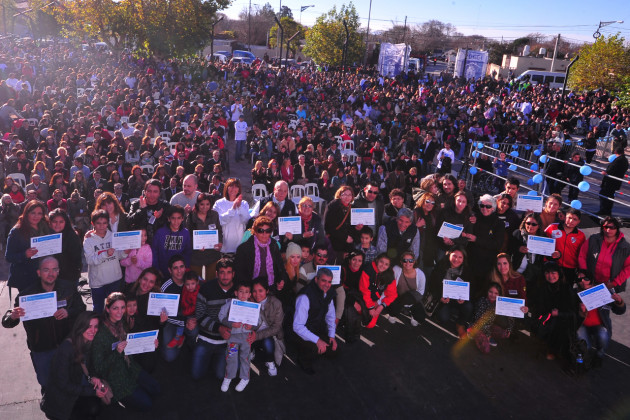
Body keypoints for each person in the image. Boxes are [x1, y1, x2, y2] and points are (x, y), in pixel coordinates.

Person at [2, 256, 86, 392]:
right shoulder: (26, 295)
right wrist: (12, 316)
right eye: (46, 270)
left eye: (54, 269)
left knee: (72, 379)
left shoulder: (69, 289)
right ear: (39, 272)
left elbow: (81, 309)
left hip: (67, 344)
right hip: (41, 349)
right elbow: (7, 322)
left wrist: (68, 312)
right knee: (47, 384)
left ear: (58, 271)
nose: (51, 273)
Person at [90, 293, 160, 410]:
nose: (120, 312)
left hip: (130, 366)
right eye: (115, 308)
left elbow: (133, 342)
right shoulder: (100, 333)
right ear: (107, 309)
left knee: (156, 389)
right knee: (147, 404)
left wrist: (150, 344)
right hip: (115, 376)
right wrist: (116, 352)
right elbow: (99, 368)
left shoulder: (123, 321)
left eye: (123, 307)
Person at [41, 311, 107, 420]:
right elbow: (63, 385)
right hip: (61, 402)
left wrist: (94, 377)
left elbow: (90, 366)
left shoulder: (88, 342)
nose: (93, 331)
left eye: (96, 327)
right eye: (89, 326)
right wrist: (93, 391)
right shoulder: (66, 349)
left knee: (96, 408)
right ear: (80, 326)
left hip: (75, 391)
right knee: (93, 408)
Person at [192, 258, 237, 380]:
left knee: (220, 376)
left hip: (227, 342)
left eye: (228, 272)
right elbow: (200, 315)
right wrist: (219, 328)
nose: (225, 276)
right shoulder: (206, 288)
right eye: (222, 272)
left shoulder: (240, 291)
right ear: (216, 274)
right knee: (196, 375)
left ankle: (216, 359)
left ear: (233, 274)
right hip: (206, 338)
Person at [292, 267, 338, 374]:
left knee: (334, 351)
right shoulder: (305, 296)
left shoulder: (329, 292)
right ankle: (302, 357)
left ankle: (317, 347)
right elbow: (297, 326)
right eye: (323, 280)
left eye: (329, 282)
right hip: (300, 332)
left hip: (317, 328)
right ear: (316, 279)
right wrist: (317, 340)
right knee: (313, 350)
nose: (327, 284)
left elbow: (331, 316)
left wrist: (331, 336)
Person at [576, 270, 626, 367]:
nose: (582, 281)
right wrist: (581, 312)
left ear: (591, 279)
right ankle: (583, 356)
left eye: (586, 278)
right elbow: (572, 316)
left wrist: (619, 302)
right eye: (579, 279)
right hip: (583, 325)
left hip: (599, 325)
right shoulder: (575, 293)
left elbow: (620, 311)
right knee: (583, 343)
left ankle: (599, 355)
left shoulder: (602, 291)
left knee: (603, 335)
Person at [529, 262, 578, 360]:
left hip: (562, 319)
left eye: (553, 273)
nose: (550, 276)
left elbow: (572, 311)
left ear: (559, 273)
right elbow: (534, 303)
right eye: (547, 273)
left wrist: (559, 314)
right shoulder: (541, 286)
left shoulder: (566, 288)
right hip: (544, 317)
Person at [219, 281, 262, 392]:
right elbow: (221, 316)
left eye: (246, 292)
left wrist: (252, 326)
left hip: (246, 338)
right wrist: (230, 324)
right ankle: (228, 377)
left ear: (249, 294)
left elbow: (258, 321)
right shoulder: (230, 304)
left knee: (245, 358)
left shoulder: (253, 307)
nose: (243, 295)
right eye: (241, 292)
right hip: (233, 337)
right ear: (236, 293)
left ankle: (245, 378)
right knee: (231, 357)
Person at [83, 210, 127, 313]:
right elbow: (90, 260)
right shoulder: (88, 240)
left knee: (115, 309)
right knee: (98, 309)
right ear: (93, 223)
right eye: (98, 223)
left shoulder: (113, 236)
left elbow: (119, 255)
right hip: (97, 281)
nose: (102, 226)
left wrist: (125, 252)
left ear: (108, 223)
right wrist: (105, 254)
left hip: (114, 279)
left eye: (104, 223)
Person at [427, 246, 474, 339]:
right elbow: (432, 285)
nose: (457, 259)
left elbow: (471, 289)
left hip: (458, 300)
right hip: (443, 300)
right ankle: (440, 314)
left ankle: (460, 324)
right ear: (449, 255)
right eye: (454, 256)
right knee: (443, 318)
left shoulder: (467, 271)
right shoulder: (440, 266)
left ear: (464, 259)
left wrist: (464, 298)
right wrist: (439, 296)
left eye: (460, 257)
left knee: (469, 306)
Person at [5, 200, 50, 292]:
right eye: (33, 213)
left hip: (44, 274)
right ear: (26, 213)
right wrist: (25, 255)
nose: (36, 216)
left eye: (39, 213)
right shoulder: (16, 231)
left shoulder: (46, 226)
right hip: (25, 277)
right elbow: (9, 257)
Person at [579, 216, 630, 292]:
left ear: (617, 228)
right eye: (606, 227)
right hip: (590, 282)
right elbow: (582, 255)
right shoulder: (593, 239)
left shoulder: (625, 247)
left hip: (610, 286)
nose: (609, 230)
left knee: (611, 304)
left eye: (612, 227)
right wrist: (584, 274)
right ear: (602, 228)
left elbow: (628, 268)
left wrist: (614, 283)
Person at [468, 194, 505, 296]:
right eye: (482, 206)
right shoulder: (474, 218)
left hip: (487, 263)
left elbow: (497, 244)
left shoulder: (498, 223)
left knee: (483, 291)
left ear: (493, 208)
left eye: (488, 206)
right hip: (472, 261)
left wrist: (476, 239)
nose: (485, 208)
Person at [234, 216, 284, 288]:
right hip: (250, 288)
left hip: (271, 287)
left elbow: (280, 266)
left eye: (268, 231)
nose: (264, 234)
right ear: (255, 232)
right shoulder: (243, 249)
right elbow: (240, 273)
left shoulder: (274, 246)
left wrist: (281, 280)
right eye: (260, 230)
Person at [250, 277, 285, 377]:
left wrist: (256, 336)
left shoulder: (276, 303)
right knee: (246, 337)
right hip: (253, 334)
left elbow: (276, 328)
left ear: (267, 290)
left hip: (269, 335)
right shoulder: (249, 302)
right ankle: (251, 350)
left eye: (260, 291)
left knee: (268, 342)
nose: (257, 294)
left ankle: (270, 360)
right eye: (254, 291)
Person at [187, 192, 223, 280]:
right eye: (202, 204)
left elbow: (219, 230)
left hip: (212, 254)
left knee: (211, 281)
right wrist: (195, 245)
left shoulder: (214, 215)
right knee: (196, 281)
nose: (205, 207)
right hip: (196, 256)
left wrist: (220, 243)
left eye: (207, 204)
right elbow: (187, 235)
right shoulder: (191, 216)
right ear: (197, 204)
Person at [470, 283, 514, 353]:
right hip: (478, 327)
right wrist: (487, 335)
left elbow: (510, 316)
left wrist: (509, 328)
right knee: (486, 350)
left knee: (505, 333)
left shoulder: (501, 303)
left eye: (496, 293)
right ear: (487, 291)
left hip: (490, 327)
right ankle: (475, 335)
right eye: (490, 292)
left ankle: (485, 337)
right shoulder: (482, 300)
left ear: (499, 295)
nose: (493, 295)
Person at [545, 208, 585, 285]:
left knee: (565, 292)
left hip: (570, 269)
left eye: (574, 219)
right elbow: (541, 242)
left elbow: (582, 254)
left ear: (579, 221)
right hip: (552, 266)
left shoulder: (581, 235)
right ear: (565, 217)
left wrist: (581, 270)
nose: (571, 221)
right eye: (569, 218)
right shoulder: (552, 227)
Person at [151, 205, 192, 279]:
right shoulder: (160, 232)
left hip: (179, 273)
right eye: (173, 218)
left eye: (179, 218)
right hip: (162, 272)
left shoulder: (185, 233)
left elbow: (187, 253)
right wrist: (156, 269)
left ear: (183, 218)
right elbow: (154, 252)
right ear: (169, 219)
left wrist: (185, 269)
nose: (176, 221)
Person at [359, 254, 397, 328]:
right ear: (377, 261)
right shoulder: (368, 269)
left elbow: (392, 294)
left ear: (389, 266)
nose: (383, 265)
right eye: (381, 262)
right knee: (359, 310)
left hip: (376, 301)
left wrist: (381, 305)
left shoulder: (390, 274)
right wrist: (370, 307)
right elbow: (364, 290)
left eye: (386, 264)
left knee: (370, 325)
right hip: (363, 297)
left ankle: (365, 315)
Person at [213, 178, 250, 253]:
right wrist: (233, 209)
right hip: (223, 246)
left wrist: (239, 207)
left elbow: (246, 220)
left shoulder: (244, 203)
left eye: (236, 186)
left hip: (240, 245)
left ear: (239, 189)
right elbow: (218, 221)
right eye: (231, 186)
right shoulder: (218, 203)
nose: (233, 189)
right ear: (227, 188)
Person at [390, 251, 427, 326]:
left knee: (420, 317)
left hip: (412, 298)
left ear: (414, 262)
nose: (408, 263)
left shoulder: (420, 274)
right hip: (398, 296)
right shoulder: (396, 269)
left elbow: (421, 291)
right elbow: (390, 286)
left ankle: (412, 313)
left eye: (410, 260)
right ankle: (392, 314)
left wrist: (411, 300)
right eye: (405, 260)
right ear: (401, 262)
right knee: (392, 308)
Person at [48, 208, 83, 285]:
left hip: (68, 278)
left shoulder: (72, 236)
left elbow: (76, 260)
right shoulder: (46, 235)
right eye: (54, 222)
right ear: (50, 222)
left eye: (61, 222)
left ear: (66, 222)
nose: (57, 225)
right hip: (49, 277)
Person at [324, 186, 359, 257]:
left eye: (350, 195)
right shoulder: (334, 205)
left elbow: (352, 225)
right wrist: (344, 237)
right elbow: (329, 226)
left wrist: (358, 228)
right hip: (335, 241)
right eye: (344, 194)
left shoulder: (352, 207)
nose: (347, 197)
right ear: (340, 195)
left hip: (348, 242)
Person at [597, 147, 629, 216]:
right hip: (616, 182)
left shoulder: (618, 160)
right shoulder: (625, 160)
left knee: (603, 195)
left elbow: (612, 169)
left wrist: (606, 172)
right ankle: (607, 211)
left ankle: (604, 210)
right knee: (610, 196)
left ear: (615, 152)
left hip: (610, 182)